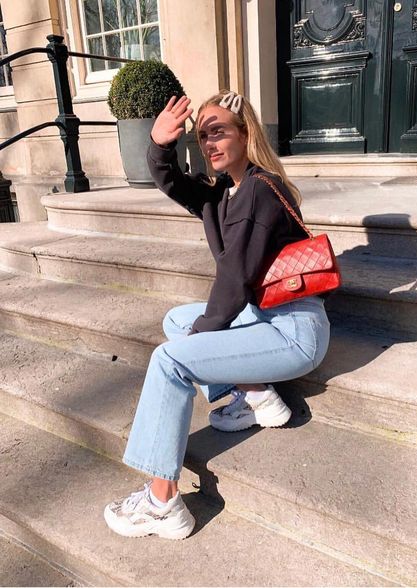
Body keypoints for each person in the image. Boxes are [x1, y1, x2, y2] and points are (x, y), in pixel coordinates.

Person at [103, 90, 330, 540]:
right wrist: (160, 144)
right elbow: (175, 185)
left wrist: (194, 343)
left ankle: (161, 502)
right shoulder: (228, 192)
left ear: (246, 135)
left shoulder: (261, 192)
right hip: (265, 318)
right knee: (176, 319)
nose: (208, 143)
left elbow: (232, 284)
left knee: (172, 358)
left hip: (293, 332)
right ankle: (258, 395)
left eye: (218, 132)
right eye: (202, 135)